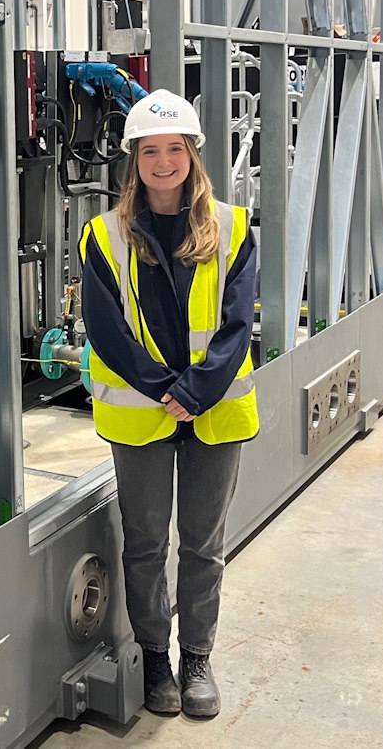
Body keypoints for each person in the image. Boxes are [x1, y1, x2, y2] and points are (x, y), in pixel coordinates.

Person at [79, 88, 258, 719]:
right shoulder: (103, 235)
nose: (163, 162)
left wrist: (196, 389)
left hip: (215, 410)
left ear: (193, 155)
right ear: (133, 159)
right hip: (143, 411)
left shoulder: (233, 228)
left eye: (174, 149)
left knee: (204, 545)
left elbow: (238, 325)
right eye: (150, 150)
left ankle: (197, 658)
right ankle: (156, 657)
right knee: (147, 543)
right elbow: (105, 327)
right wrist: (164, 388)